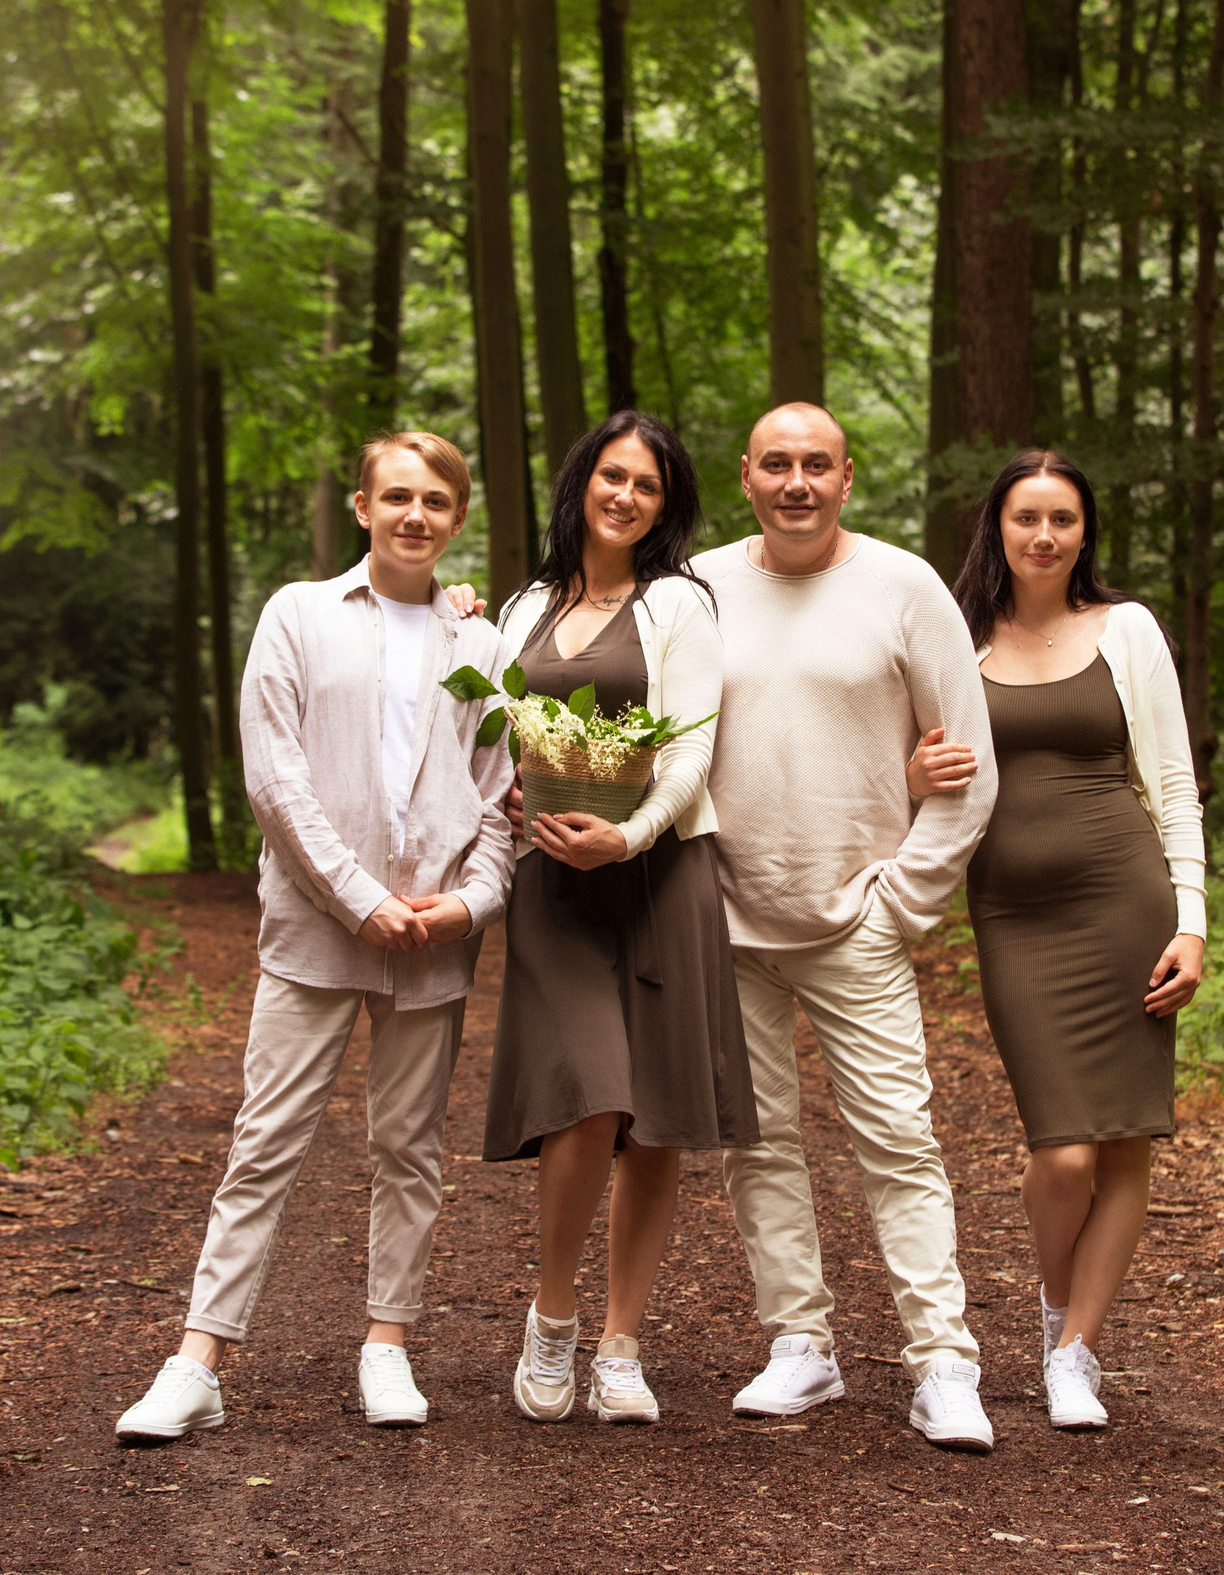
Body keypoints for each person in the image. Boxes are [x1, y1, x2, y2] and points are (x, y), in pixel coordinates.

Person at [113, 431, 515, 1445]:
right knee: (265, 1141)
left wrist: (468, 904)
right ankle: (198, 1361)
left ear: (458, 518)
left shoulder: (483, 644)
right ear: (361, 505)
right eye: (396, 498)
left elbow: (499, 799)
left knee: (408, 1147)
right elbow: (274, 779)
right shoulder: (298, 616)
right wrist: (352, 896)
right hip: (316, 928)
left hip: (432, 934)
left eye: (434, 501)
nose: (414, 516)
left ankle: (387, 1346)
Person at [696, 401, 1001, 1452]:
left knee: (898, 1140)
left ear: (846, 475)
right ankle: (800, 1347)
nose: (795, 482)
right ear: (745, 475)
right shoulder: (697, 588)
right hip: (728, 917)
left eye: (814, 465)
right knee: (758, 1142)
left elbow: (969, 762)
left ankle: (943, 1360)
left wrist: (903, 900)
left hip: (855, 918)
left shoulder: (903, 587)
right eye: (776, 464)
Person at [483, 410, 759, 1427]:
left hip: (660, 875)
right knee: (588, 1095)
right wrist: (509, 799)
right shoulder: (520, 608)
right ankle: (551, 1319)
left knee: (653, 1123)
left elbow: (691, 748)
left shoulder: (680, 605)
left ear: (665, 503)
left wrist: (631, 835)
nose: (624, 496)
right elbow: (488, 734)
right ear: (581, 483)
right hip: (554, 886)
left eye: (646, 485)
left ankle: (621, 1343)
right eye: (611, 476)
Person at [951, 450, 1206, 1432]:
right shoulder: (960, 640)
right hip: (1014, 918)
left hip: (1124, 902)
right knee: (1062, 1153)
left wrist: (1190, 920)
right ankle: (1058, 1312)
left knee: (1125, 1145)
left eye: (1062, 518)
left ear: (1084, 531)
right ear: (999, 529)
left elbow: (1174, 785)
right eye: (1026, 518)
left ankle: (1074, 1354)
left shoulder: (1126, 630)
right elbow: (920, 768)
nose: (1043, 535)